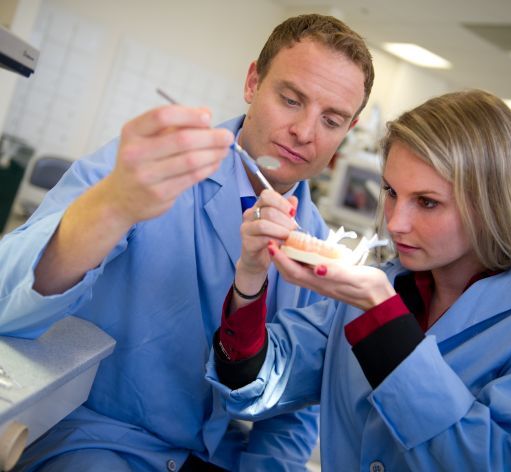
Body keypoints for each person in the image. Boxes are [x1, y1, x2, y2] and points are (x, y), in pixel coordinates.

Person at [0, 14, 374, 471]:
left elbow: (293, 412)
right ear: (253, 82)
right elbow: (8, 297)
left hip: (215, 456)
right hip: (96, 440)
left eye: (331, 120)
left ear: (347, 132)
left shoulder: (315, 244)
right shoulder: (158, 169)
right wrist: (112, 206)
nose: (305, 132)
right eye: (292, 99)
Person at [208, 89, 511, 471]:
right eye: (391, 192)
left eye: (427, 202)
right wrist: (250, 279)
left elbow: (497, 462)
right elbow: (254, 386)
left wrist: (384, 318)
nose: (396, 223)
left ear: (491, 205)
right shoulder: (384, 286)